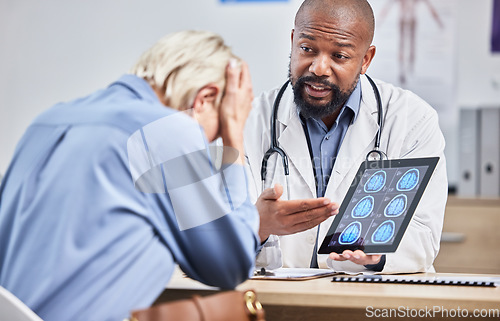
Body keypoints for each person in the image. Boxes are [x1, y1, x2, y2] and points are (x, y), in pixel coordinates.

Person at [0, 30, 259, 321]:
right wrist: (234, 135)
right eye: (213, 136)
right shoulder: (167, 130)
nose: (209, 144)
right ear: (205, 99)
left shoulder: (47, 120)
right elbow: (230, 264)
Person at [244, 0, 448, 273]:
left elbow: (424, 235)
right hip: (277, 303)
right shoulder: (247, 120)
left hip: (371, 303)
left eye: (339, 56)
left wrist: (378, 253)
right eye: (307, 49)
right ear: (293, 41)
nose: (319, 68)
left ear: (366, 59)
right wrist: (256, 226)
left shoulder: (412, 120)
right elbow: (209, 239)